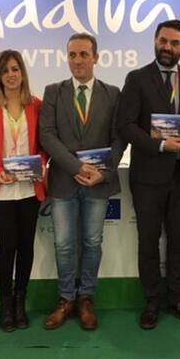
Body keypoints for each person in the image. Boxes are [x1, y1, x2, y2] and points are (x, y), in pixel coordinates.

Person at [117, 19, 180, 330]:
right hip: (147, 177)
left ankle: (177, 298)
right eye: (163, 41)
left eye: (174, 43)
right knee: (149, 241)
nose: (168, 47)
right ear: (155, 41)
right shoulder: (137, 78)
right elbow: (125, 125)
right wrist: (159, 145)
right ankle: (152, 301)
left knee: (179, 240)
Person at [39, 33, 124, 331]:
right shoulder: (54, 92)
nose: (77, 60)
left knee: (92, 242)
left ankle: (86, 297)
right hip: (64, 180)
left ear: (95, 57)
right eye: (72, 54)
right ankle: (66, 298)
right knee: (63, 244)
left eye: (84, 54)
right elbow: (47, 134)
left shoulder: (113, 94)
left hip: (98, 183)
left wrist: (104, 172)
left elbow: (118, 138)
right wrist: (75, 166)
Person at [0, 50, 46, 332]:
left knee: (26, 246)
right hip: (0, 190)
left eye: (15, 69)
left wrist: (39, 163)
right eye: (5, 70)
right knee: (8, 246)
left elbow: (44, 146)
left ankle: (19, 302)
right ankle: (5, 304)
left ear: (22, 73)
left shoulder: (36, 105)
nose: (11, 75)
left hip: (29, 188)